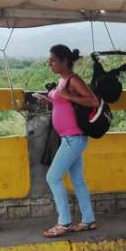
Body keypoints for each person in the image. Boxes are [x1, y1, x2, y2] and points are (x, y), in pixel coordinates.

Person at [42, 45, 100, 238]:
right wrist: (50, 100)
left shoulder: (73, 80)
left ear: (64, 61)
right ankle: (88, 219)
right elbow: (63, 102)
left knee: (53, 177)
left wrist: (68, 95)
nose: (49, 63)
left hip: (74, 138)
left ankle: (64, 222)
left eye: (53, 60)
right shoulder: (62, 80)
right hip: (69, 137)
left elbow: (93, 101)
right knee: (77, 180)